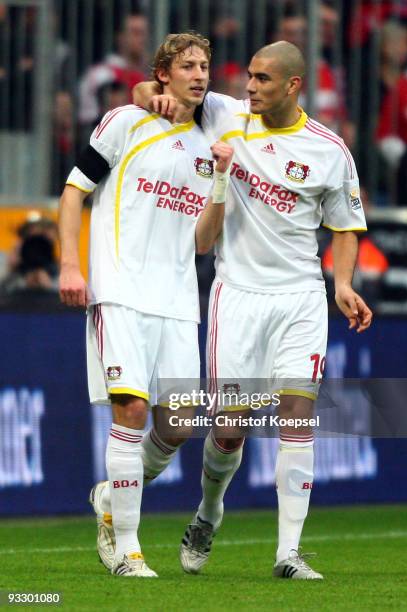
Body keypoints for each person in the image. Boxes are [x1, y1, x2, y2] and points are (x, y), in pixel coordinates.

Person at [133, 40, 373, 580]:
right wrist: (151, 92)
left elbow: (345, 225)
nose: (249, 86)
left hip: (301, 298)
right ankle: (208, 513)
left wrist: (341, 284)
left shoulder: (328, 149)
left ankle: (288, 552)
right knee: (230, 429)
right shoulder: (227, 114)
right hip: (237, 294)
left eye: (263, 79)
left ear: (292, 86)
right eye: (248, 76)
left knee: (297, 419)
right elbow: (153, 89)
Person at [59, 32, 233, 578]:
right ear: (163, 72)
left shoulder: (210, 143)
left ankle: (112, 496)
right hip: (120, 289)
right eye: (187, 66)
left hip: (179, 297)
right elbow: (73, 191)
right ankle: (126, 547)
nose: (200, 74)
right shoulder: (123, 122)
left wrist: (223, 183)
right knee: (130, 410)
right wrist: (70, 264)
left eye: (205, 65)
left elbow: (204, 242)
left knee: (179, 421)